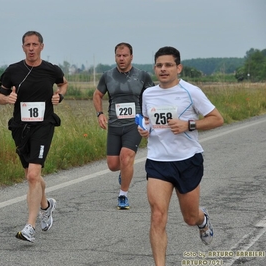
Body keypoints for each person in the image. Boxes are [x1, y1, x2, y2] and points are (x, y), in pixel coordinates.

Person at [138, 46, 224, 266]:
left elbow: (217, 119)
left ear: (179, 68)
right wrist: (144, 129)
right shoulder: (148, 93)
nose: (163, 69)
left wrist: (189, 124)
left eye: (168, 65)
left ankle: (202, 219)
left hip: (187, 160)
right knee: (157, 215)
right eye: (159, 65)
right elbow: (149, 122)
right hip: (158, 161)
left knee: (189, 218)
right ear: (154, 68)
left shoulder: (191, 91)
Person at [0, 31, 68, 243]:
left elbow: (63, 83)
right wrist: (7, 98)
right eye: (27, 44)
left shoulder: (51, 70)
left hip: (44, 126)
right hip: (20, 127)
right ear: (22, 47)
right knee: (31, 175)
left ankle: (30, 226)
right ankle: (46, 206)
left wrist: (60, 95)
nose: (31, 48)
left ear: (41, 47)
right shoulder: (13, 70)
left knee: (33, 176)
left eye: (34, 44)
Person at [93, 42, 154, 210]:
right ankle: (125, 171)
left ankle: (123, 195)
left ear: (131, 57)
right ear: (115, 57)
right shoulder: (108, 76)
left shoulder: (142, 76)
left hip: (134, 124)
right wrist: (100, 114)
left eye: (125, 55)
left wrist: (149, 119)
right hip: (114, 124)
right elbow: (97, 95)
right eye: (118, 56)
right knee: (113, 165)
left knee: (126, 156)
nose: (121, 59)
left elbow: (152, 96)